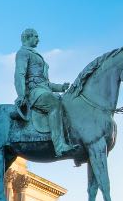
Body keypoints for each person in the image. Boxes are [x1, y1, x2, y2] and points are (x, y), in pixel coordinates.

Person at [13, 28, 76, 156]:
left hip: (42, 90)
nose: (38, 39)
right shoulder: (23, 52)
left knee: (64, 101)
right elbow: (19, 74)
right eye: (36, 37)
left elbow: (45, 83)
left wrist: (61, 87)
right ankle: (59, 146)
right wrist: (21, 94)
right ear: (28, 37)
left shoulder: (34, 54)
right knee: (54, 104)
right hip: (33, 92)